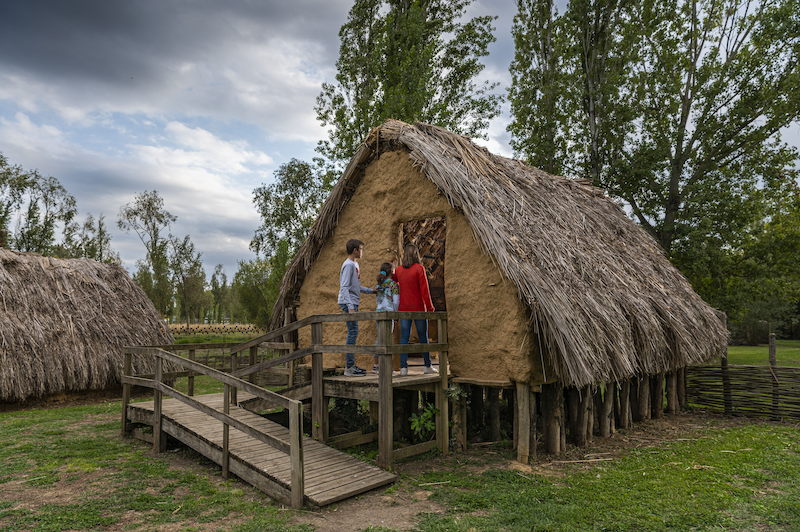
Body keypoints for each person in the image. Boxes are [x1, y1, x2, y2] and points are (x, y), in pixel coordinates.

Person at [393, 244, 437, 376]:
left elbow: (394, 281)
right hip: (418, 308)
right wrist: (430, 308)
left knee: (404, 337)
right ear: (416, 254)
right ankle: (427, 366)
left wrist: (394, 268)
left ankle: (403, 368)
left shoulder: (399, 271)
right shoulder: (419, 269)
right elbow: (425, 291)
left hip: (404, 308)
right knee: (423, 337)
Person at [338, 239, 375, 377]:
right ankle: (349, 367)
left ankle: (351, 365)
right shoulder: (348, 265)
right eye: (361, 248)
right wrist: (350, 306)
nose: (362, 251)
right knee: (353, 331)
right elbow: (344, 288)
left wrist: (371, 291)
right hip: (348, 302)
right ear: (355, 250)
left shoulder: (355, 264)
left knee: (353, 331)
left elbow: (355, 287)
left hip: (352, 301)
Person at [372, 261, 400, 374]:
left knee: (380, 339)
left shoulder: (379, 285)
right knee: (387, 340)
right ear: (392, 271)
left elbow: (378, 300)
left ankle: (376, 366)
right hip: (389, 313)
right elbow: (396, 301)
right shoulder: (394, 285)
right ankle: (386, 366)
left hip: (379, 311)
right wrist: (396, 314)